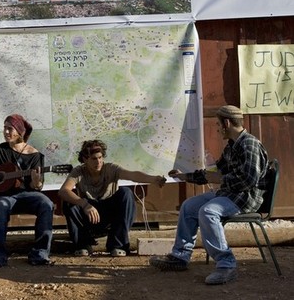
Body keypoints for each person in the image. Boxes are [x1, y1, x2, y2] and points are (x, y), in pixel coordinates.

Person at [150, 105, 269, 285]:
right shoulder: (231, 146)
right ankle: (180, 256)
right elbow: (213, 172)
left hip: (244, 198)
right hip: (229, 194)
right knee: (189, 207)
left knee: (208, 211)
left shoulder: (249, 144)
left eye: (217, 124)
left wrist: (221, 179)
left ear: (226, 123)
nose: (216, 127)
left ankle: (226, 264)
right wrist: (184, 175)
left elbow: (248, 180)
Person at [0, 114, 54, 268]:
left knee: (46, 203)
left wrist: (36, 181)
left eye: (10, 129)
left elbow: (37, 186)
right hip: (5, 197)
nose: (6, 132)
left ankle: (40, 254)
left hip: (27, 195)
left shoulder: (35, 156)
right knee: (1, 204)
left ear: (19, 132)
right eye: (4, 128)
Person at [58, 139, 166, 257]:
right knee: (70, 202)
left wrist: (153, 179)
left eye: (100, 158)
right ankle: (82, 245)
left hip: (109, 214)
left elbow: (132, 175)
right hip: (89, 215)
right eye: (94, 159)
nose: (98, 162)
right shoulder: (78, 171)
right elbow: (64, 191)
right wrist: (84, 204)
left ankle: (117, 245)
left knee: (126, 193)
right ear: (85, 159)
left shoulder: (110, 168)